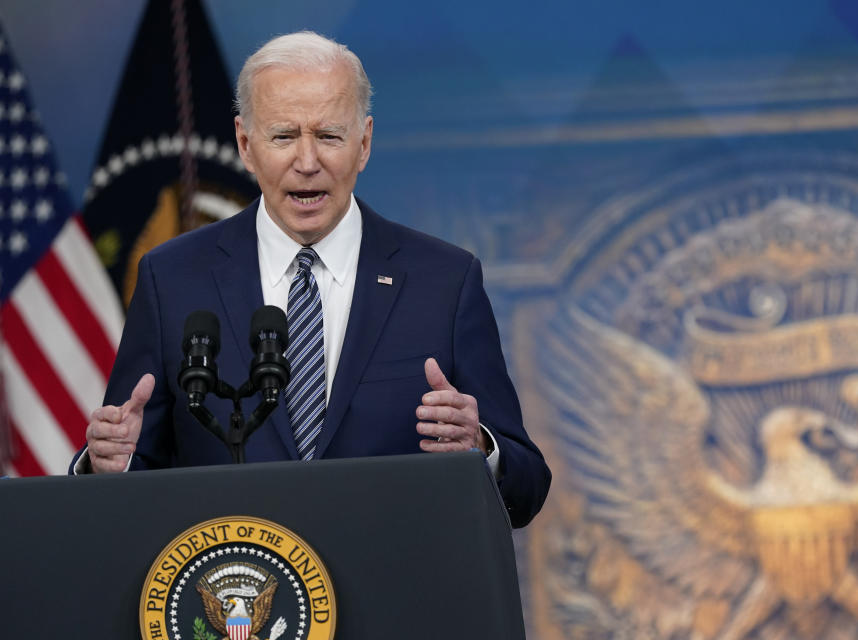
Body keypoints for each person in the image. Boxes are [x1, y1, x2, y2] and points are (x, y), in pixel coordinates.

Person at [70, 31, 550, 528]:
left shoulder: (445, 281)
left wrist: (480, 448)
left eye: (328, 136)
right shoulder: (171, 279)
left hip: (397, 597)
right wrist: (110, 463)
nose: (306, 162)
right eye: (283, 136)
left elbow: (527, 488)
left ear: (363, 144)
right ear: (245, 144)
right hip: (236, 597)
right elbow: (131, 478)